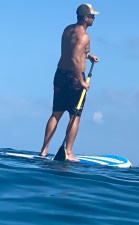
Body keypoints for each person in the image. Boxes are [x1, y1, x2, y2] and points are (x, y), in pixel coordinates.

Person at [39, 4, 101, 161]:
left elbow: (72, 51)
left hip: (59, 75)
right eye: (92, 16)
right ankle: (69, 152)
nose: (94, 18)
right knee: (75, 115)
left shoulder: (68, 29)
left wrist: (88, 56)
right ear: (86, 18)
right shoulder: (84, 36)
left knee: (56, 113)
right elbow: (74, 58)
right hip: (74, 79)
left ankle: (44, 150)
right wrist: (81, 82)